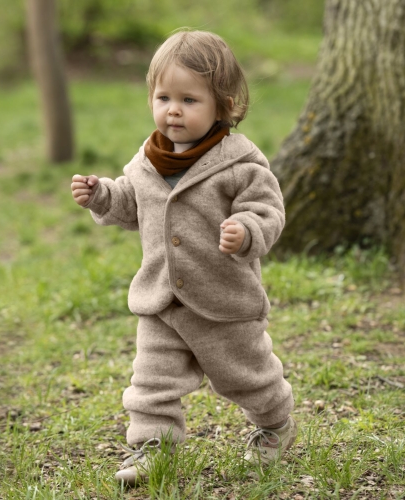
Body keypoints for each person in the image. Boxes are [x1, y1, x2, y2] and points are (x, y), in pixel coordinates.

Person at [71, 29, 296, 486]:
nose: (173, 109)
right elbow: (131, 202)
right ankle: (152, 448)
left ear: (223, 105)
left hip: (223, 300)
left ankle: (275, 424)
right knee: (151, 384)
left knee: (247, 378)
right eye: (163, 97)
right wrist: (101, 195)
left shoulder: (240, 164)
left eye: (189, 100)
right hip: (161, 301)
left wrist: (247, 230)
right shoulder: (147, 161)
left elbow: (267, 211)